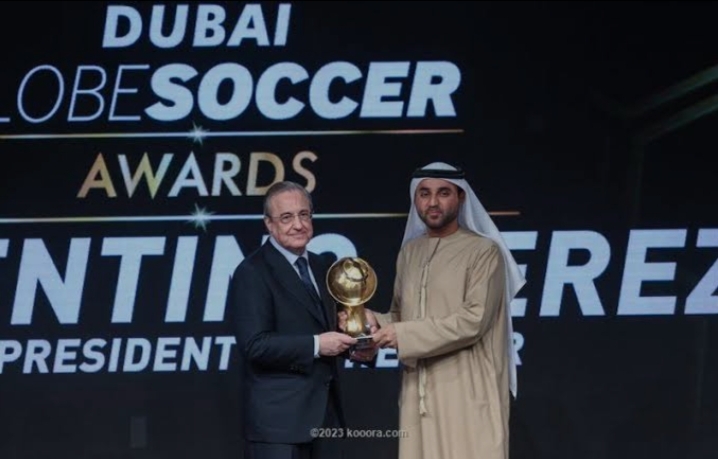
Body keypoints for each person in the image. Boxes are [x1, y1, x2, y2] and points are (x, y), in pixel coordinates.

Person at [370, 161, 526, 459]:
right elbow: (402, 316)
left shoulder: (484, 252)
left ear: (461, 197)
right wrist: (372, 321)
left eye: (443, 193)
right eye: (424, 193)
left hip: (468, 391)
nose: (432, 202)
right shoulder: (409, 252)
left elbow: (473, 321)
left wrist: (401, 333)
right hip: (419, 395)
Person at [229, 180, 359, 459]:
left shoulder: (322, 266)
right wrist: (317, 345)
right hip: (279, 427)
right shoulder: (252, 272)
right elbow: (254, 345)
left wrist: (360, 344)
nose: (298, 225)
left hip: (325, 419)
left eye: (304, 214)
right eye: (286, 217)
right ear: (269, 224)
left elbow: (332, 328)